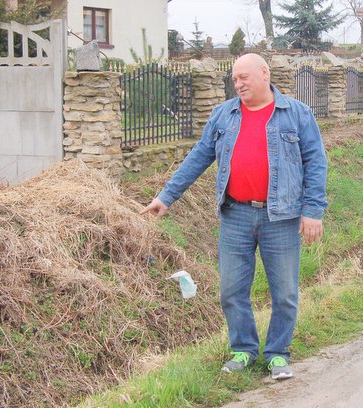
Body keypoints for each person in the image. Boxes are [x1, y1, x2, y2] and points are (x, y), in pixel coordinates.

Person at [140, 53, 327, 380]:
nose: (238, 83)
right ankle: (243, 350)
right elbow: (198, 157)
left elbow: (316, 163)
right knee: (231, 290)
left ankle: (277, 354)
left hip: (280, 217)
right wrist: (166, 196)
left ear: (264, 73)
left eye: (244, 77)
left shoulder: (297, 114)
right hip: (235, 215)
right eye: (234, 78)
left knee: (284, 292)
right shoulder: (223, 115)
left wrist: (312, 211)